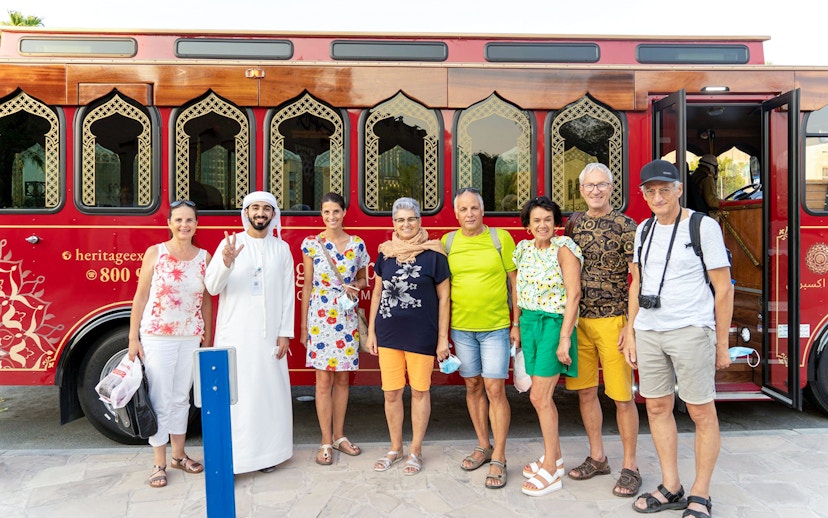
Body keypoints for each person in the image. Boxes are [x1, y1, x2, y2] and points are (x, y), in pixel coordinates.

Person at [625, 160, 733, 518]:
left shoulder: (703, 227)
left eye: (665, 189)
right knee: (656, 407)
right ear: (643, 194)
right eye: (650, 190)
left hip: (691, 329)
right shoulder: (643, 230)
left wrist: (720, 344)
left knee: (701, 411)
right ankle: (671, 486)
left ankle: (700, 493)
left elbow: (723, 289)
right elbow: (637, 284)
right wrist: (631, 330)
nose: (658, 196)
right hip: (650, 331)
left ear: (679, 189)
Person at [563, 163, 641, 497]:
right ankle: (598, 457)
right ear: (580, 190)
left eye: (602, 185)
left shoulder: (627, 226)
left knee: (622, 397)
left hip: (614, 321)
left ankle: (631, 466)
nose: (595, 190)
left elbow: (637, 278)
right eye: (589, 185)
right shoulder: (573, 224)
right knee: (585, 391)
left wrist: (632, 327)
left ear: (612, 188)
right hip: (579, 321)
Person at [204, 191, 295, 474]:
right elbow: (212, 287)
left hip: (270, 338)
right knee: (238, 397)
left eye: (266, 209)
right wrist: (226, 262)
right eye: (255, 208)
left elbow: (288, 295)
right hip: (236, 335)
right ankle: (235, 459)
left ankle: (268, 455)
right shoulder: (230, 244)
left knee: (269, 395)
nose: (260, 213)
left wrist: (285, 333)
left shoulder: (281, 249)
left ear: (273, 215)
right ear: (246, 212)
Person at [128, 199, 211, 488]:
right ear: (169, 224)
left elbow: (207, 300)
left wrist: (207, 335)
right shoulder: (156, 253)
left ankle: (179, 456)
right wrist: (133, 338)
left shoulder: (204, 257)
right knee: (161, 400)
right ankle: (159, 463)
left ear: (196, 224)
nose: (184, 225)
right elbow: (140, 296)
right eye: (178, 220)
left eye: (189, 220)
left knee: (182, 399)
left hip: (190, 337)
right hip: (157, 336)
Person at [367, 197, 451, 477]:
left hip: (422, 335)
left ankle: (415, 450)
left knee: (419, 391)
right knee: (391, 393)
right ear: (393, 223)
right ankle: (395, 448)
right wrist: (371, 331)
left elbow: (444, 298)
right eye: (400, 219)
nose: (406, 224)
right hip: (388, 333)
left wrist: (442, 339)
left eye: (411, 219)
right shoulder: (385, 253)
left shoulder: (435, 254)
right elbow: (377, 293)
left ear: (420, 221)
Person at [441, 187, 517, 490]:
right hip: (462, 329)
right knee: (472, 386)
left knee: (495, 388)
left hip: (496, 327)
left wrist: (517, 324)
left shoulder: (500, 239)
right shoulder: (448, 242)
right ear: (456, 214)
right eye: (464, 210)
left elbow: (515, 283)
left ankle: (499, 456)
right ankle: (483, 445)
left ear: (482, 211)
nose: (469, 214)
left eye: (474, 208)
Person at [513, 196, 582, 497]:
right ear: (527, 225)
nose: (542, 225)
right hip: (528, 324)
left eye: (548, 219)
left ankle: (552, 469)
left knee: (540, 396)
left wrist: (565, 337)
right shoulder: (522, 249)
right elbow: (516, 289)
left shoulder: (564, 248)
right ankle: (554, 455)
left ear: (556, 222)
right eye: (536, 220)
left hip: (553, 324)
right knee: (539, 397)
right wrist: (516, 324)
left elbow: (575, 294)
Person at [300, 192, 370, 465]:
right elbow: (307, 285)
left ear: (344, 212)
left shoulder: (358, 245)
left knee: (342, 380)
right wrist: (305, 326)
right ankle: (325, 441)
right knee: (322, 382)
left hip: (346, 316)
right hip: (320, 317)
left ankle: (340, 436)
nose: (331, 217)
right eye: (326, 212)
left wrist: (357, 286)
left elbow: (364, 278)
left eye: (336, 212)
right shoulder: (311, 244)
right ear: (321, 214)